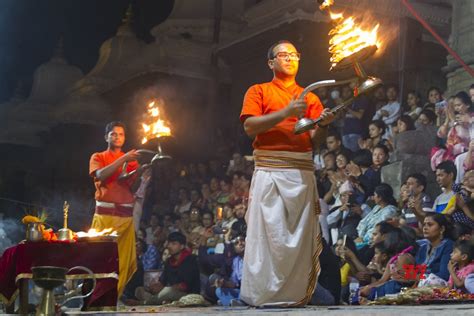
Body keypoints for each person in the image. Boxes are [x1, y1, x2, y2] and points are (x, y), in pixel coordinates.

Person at [239, 40, 335, 306]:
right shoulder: (258, 91)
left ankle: (297, 294)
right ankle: (262, 294)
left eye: (294, 55)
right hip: (270, 168)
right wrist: (287, 112)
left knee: (300, 237)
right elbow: (250, 127)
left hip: (301, 171)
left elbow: (315, 140)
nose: (290, 58)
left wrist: (324, 125)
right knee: (269, 235)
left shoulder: (310, 97)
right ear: (271, 62)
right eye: (283, 55)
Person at [89, 121, 146, 296]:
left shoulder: (131, 161)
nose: (117, 137)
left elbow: (131, 186)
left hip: (125, 216)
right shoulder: (98, 156)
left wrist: (143, 174)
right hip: (105, 216)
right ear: (106, 137)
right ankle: (97, 296)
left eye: (121, 134)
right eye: (113, 134)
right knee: (99, 257)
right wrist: (123, 158)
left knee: (122, 261)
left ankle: (114, 296)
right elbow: (100, 175)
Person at [135, 232, 200, 304]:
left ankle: (145, 302)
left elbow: (185, 286)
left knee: (167, 292)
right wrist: (155, 286)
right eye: (169, 243)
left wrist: (165, 289)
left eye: (173, 244)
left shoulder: (190, 260)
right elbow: (163, 281)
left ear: (182, 246)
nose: (169, 246)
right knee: (139, 290)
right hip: (168, 292)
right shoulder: (169, 261)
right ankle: (155, 300)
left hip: (187, 294)